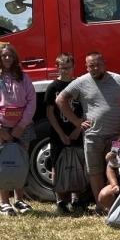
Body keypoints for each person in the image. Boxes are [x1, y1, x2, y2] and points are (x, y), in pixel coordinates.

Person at [57, 52, 120, 206]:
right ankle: (101, 205)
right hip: (92, 136)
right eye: (91, 66)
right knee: (95, 172)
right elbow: (60, 99)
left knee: (116, 169)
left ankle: (116, 203)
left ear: (104, 64)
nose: (94, 68)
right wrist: (76, 121)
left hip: (117, 135)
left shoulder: (118, 80)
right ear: (86, 67)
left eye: (97, 65)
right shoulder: (81, 82)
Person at [0, 42, 37, 216]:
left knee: (20, 161)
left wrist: (21, 125)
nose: (7, 58)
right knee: (2, 163)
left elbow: (32, 101)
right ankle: (3, 203)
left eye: (10, 55)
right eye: (4, 56)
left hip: (22, 126)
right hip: (0, 126)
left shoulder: (23, 77)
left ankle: (19, 200)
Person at [45, 52, 83, 214]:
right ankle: (61, 200)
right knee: (58, 165)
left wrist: (77, 129)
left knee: (79, 165)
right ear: (57, 68)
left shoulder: (79, 85)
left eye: (68, 67)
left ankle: (77, 199)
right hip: (58, 133)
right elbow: (50, 113)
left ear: (73, 67)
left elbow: (86, 110)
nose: (65, 71)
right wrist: (60, 133)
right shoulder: (53, 87)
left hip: (76, 131)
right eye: (62, 68)